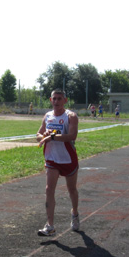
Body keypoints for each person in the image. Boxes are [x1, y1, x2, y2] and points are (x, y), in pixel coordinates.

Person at [36, 89, 80, 236]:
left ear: (65, 101)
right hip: (52, 158)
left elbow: (72, 135)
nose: (56, 102)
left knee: (71, 189)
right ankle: (50, 226)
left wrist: (53, 137)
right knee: (49, 189)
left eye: (59, 99)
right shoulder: (47, 116)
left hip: (67, 158)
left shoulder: (71, 116)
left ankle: (74, 212)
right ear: (50, 100)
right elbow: (38, 134)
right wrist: (44, 135)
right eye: (54, 99)